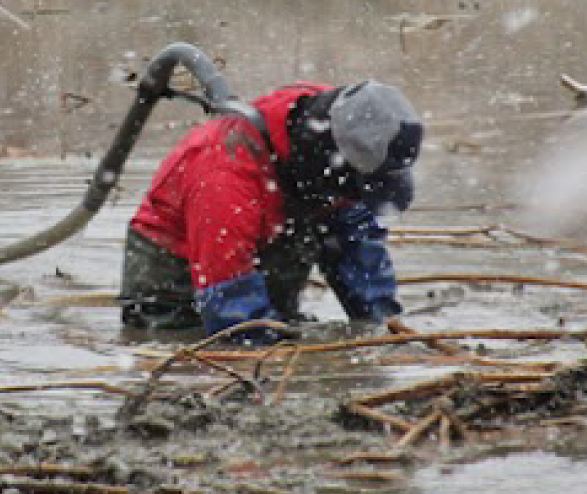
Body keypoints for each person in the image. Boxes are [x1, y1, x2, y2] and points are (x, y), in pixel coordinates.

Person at [119, 79, 423, 342]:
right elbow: (233, 315)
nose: (352, 197)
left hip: (264, 242)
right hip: (176, 289)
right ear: (331, 161)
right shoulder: (225, 175)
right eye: (354, 188)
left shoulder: (345, 126)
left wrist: (383, 327)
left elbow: (355, 240)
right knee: (189, 353)